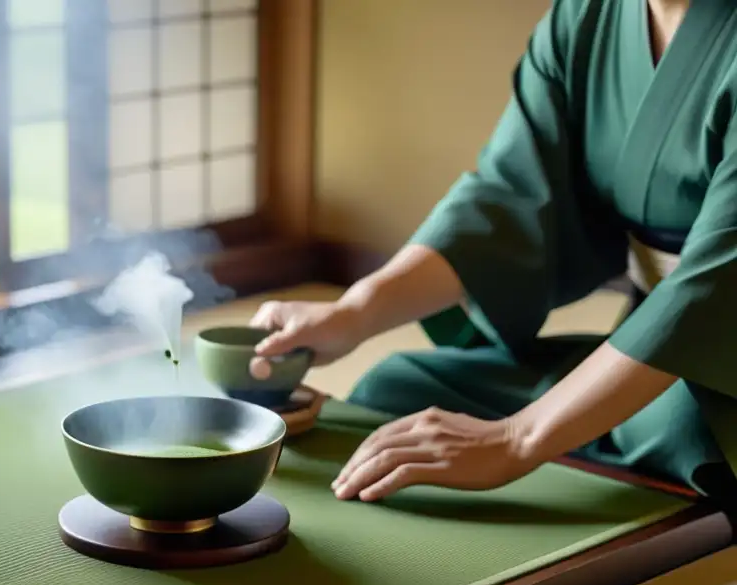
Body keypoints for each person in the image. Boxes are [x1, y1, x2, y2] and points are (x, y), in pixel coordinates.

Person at [249, 0, 737, 503]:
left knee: (685, 426)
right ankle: (584, 438)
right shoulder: (588, 15)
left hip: (713, 363)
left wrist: (515, 438)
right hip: (646, 340)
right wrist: (355, 311)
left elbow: (713, 292)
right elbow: (508, 199)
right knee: (399, 391)